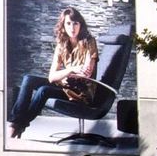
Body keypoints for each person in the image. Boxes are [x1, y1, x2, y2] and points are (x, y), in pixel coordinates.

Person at [7, 7, 99, 138]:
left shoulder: (89, 42)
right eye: (68, 23)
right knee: (28, 79)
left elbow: (86, 74)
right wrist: (70, 70)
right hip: (65, 85)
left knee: (44, 90)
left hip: (80, 92)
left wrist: (64, 75)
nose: (72, 28)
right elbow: (52, 77)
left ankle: (19, 125)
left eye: (75, 23)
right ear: (63, 25)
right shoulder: (62, 45)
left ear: (81, 25)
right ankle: (16, 123)